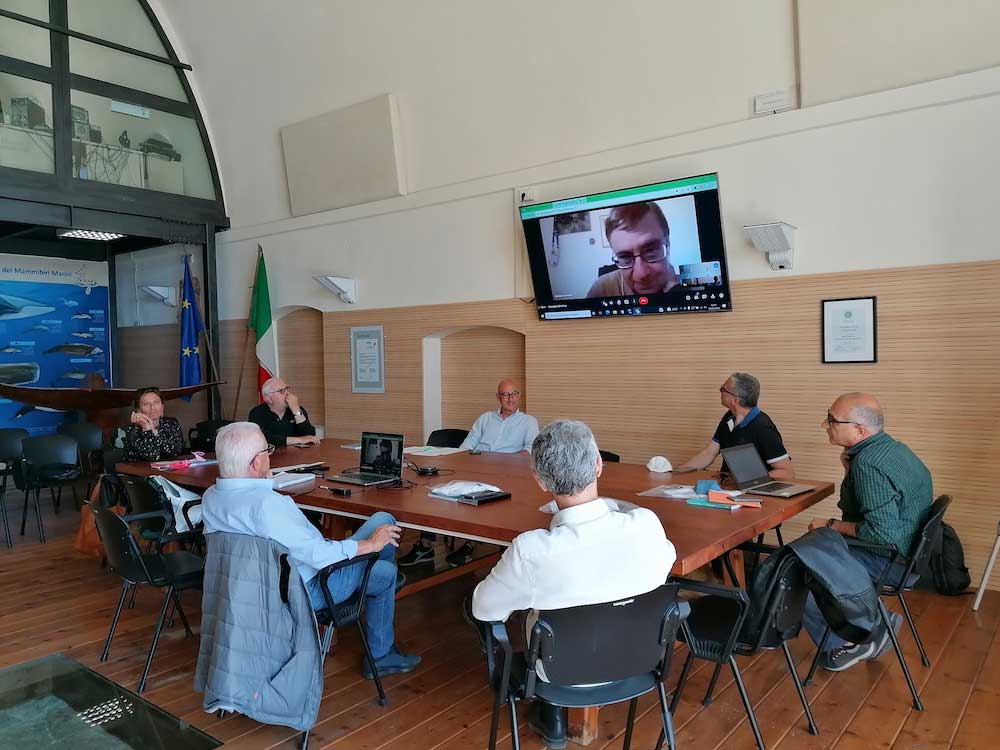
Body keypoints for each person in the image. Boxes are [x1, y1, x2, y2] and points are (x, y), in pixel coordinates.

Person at [471, 420, 676, 749]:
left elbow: (483, 608)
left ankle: (543, 710)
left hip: (557, 675)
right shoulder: (646, 525)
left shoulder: (532, 550)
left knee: (515, 609)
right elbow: (664, 566)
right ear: (598, 466)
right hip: (641, 661)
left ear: (539, 481)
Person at [200, 422, 421, 678]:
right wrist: (370, 545)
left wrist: (264, 484)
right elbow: (319, 555)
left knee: (381, 519)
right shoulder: (270, 506)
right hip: (308, 589)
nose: (269, 456)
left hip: (252, 591)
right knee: (384, 569)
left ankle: (373, 589)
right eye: (267, 451)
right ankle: (380, 653)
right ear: (255, 464)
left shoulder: (211, 499)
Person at [803, 393, 932, 672]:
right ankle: (879, 621)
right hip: (912, 556)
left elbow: (881, 534)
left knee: (801, 570)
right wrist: (850, 470)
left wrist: (831, 525)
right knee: (810, 550)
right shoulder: (894, 449)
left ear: (860, 430)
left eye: (832, 420)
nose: (824, 424)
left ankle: (853, 641)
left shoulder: (868, 464)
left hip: (891, 560)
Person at [398, 378, 539, 568]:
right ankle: (426, 546)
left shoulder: (528, 422)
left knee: (480, 501)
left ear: (519, 396)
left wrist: (501, 461)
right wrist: (461, 460)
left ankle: (468, 546)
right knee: (436, 493)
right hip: (476, 468)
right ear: (498, 397)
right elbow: (468, 444)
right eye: (505, 394)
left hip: (505, 474)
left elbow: (529, 452)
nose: (510, 399)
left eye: (514, 394)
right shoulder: (485, 418)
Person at [678, 372, 795, 480]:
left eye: (723, 389)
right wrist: (676, 472)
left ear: (734, 400)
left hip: (753, 493)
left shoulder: (763, 427)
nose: (720, 391)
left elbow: (787, 472)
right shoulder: (729, 417)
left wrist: (744, 480)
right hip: (728, 488)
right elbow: (709, 453)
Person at [586, 202, 680, 298]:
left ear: (667, 241)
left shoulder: (688, 285)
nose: (641, 274)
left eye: (650, 251)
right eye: (625, 258)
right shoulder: (601, 290)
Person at [248, 377, 320, 447]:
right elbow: (264, 438)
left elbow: (310, 436)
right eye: (281, 391)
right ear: (269, 398)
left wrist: (296, 410)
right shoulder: (257, 413)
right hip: (271, 456)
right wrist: (300, 440)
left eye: (286, 389)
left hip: (297, 456)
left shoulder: (297, 409)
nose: (287, 393)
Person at [123, 386, 187, 461]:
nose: (153, 407)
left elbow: (176, 452)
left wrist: (154, 432)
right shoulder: (133, 430)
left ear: (162, 407)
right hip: (140, 471)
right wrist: (146, 427)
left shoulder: (171, 423)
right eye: (146, 404)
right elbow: (152, 456)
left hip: (169, 470)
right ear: (138, 410)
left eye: (156, 402)